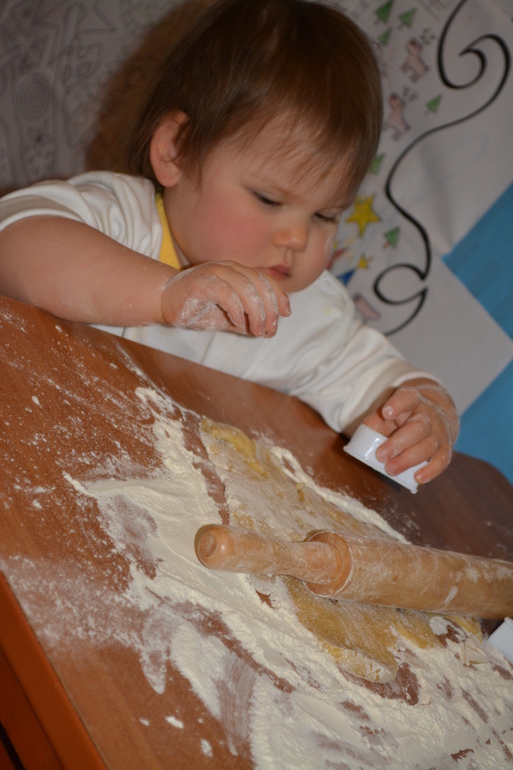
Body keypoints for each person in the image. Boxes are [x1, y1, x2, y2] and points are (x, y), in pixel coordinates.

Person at [0, 0, 458, 485]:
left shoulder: (304, 315)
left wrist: (424, 413)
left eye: (325, 215)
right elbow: (15, 242)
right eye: (268, 198)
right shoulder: (122, 221)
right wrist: (165, 293)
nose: (298, 237)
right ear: (176, 150)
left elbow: (377, 384)